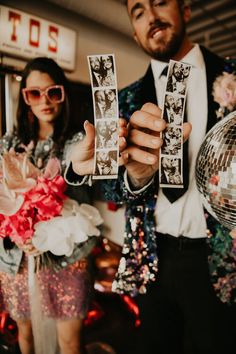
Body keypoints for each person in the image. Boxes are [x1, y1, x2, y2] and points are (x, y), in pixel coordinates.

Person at [66, 1, 235, 354]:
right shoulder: (124, 98)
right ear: (133, 31)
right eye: (139, 11)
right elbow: (109, 183)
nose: (151, 17)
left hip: (218, 258)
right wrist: (138, 178)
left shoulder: (232, 78)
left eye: (160, 2)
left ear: (186, 10)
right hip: (152, 259)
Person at [0, 57, 96, 354]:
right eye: (34, 93)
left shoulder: (77, 141)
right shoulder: (10, 143)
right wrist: (20, 234)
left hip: (66, 259)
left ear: (64, 94)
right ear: (25, 98)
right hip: (17, 259)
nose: (44, 101)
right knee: (25, 337)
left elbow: (78, 183)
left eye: (53, 92)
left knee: (69, 343)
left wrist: (44, 236)